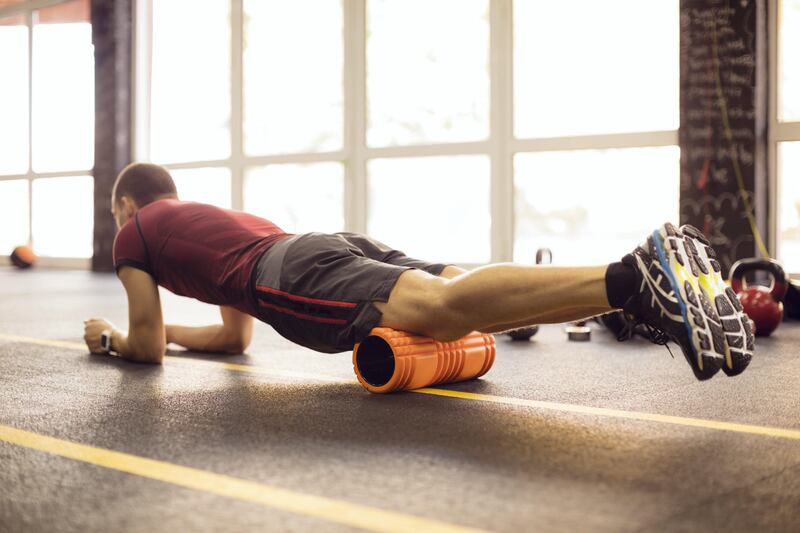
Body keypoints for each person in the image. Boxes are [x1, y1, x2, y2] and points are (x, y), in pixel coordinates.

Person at [84, 163, 754, 381]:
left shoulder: (133, 236)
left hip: (285, 274)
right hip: (314, 243)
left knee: (439, 306)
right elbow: (235, 339)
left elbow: (142, 346)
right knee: (458, 291)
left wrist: (114, 338)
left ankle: (632, 278)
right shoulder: (207, 220)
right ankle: (630, 291)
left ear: (126, 204)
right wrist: (176, 336)